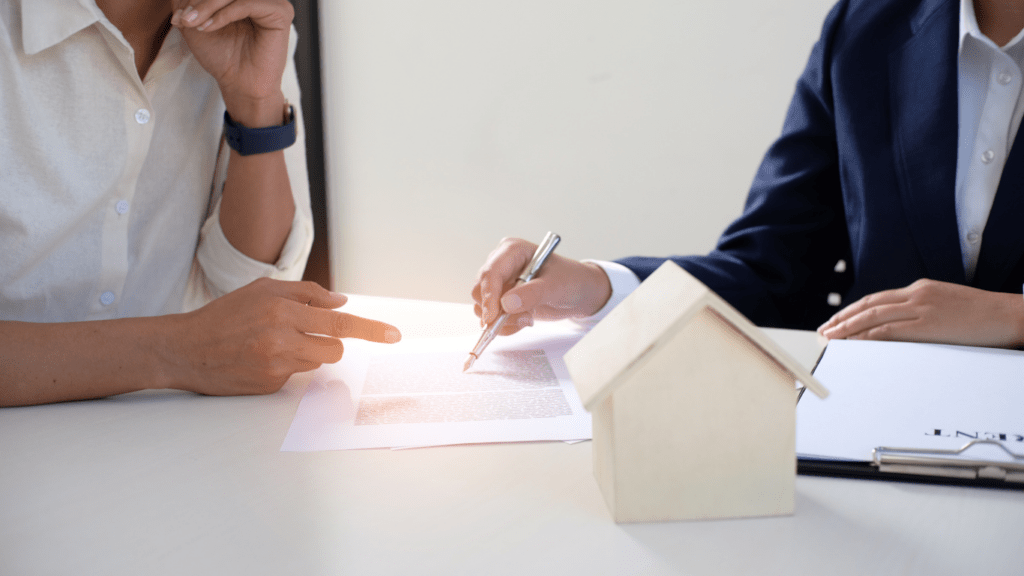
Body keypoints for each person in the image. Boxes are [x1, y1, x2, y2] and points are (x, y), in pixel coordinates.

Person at [473, 0, 1024, 349]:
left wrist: (1011, 317)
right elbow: (772, 270)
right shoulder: (865, 28)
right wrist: (598, 286)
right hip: (871, 433)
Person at [0, 0, 399, 408]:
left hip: (171, 436)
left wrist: (255, 103)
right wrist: (175, 350)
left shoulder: (245, 23)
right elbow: (212, 346)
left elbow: (244, 308)